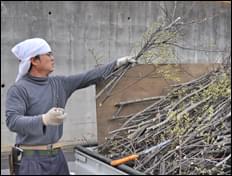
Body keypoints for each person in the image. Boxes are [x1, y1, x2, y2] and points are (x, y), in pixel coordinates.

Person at [5, 38, 135, 175]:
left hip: (57, 157)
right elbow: (12, 121)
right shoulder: (19, 89)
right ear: (34, 61)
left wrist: (117, 64)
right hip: (31, 161)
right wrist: (44, 119)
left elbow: (88, 76)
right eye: (48, 55)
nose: (53, 58)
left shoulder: (59, 84)